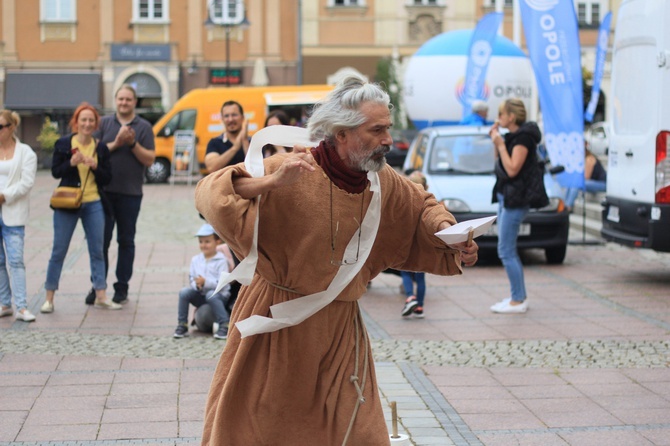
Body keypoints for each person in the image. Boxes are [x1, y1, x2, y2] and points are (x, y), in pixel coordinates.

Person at [194, 76, 479, 445]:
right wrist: (271, 182)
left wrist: (449, 233)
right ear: (341, 133)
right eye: (376, 130)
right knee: (265, 429)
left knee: (361, 432)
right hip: (277, 323)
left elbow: (420, 204)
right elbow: (211, 193)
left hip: (340, 330)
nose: (388, 140)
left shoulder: (380, 180)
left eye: (387, 129)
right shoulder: (294, 166)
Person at [42, 103, 121, 313]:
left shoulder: (100, 147)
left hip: (93, 202)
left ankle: (101, 295)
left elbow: (107, 178)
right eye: (83, 120)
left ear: (96, 124)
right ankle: (49, 297)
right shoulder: (63, 144)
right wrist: (71, 163)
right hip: (67, 202)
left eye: (91, 120)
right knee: (59, 250)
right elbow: (55, 172)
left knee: (97, 250)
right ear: (75, 123)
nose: (87, 124)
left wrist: (95, 166)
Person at [89, 84, 156, 305]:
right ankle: (98, 285)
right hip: (103, 193)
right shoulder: (103, 123)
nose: (124, 103)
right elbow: (94, 154)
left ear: (134, 102)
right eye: (121, 99)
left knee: (126, 241)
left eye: (128, 99)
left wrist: (133, 143)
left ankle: (122, 287)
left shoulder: (144, 127)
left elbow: (150, 160)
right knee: (101, 242)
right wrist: (117, 143)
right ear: (115, 100)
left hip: (131, 193)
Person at [489, 98, 547, 314]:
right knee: (506, 249)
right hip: (507, 197)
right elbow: (499, 165)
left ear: (511, 117)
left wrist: (501, 144)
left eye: (501, 114)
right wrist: (497, 143)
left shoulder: (523, 138)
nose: (498, 117)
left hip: (517, 200)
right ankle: (517, 296)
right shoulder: (512, 136)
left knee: (506, 250)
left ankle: (518, 299)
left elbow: (513, 169)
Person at [0, 110, 37, 322]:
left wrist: (4, 196)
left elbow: (27, 183)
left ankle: (22, 306)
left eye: (1, 126)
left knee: (15, 260)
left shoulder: (26, 152)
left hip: (13, 212)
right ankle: (5, 303)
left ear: (12, 127)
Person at [173, 224, 231, 340]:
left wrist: (205, 282)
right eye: (201, 242)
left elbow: (222, 283)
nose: (203, 245)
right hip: (202, 294)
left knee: (211, 294)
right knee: (184, 292)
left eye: (207, 241)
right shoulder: (195, 260)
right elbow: (192, 278)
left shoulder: (222, 260)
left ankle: (224, 324)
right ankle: (182, 324)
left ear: (217, 241)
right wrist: (198, 285)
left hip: (219, 296)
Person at [400, 171, 429, 319]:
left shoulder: (406, 201)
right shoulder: (429, 202)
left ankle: (410, 297)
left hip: (408, 244)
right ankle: (420, 306)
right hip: (423, 246)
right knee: (420, 277)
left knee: (405, 272)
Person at [204, 100, 249, 173]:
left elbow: (257, 168)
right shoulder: (214, 143)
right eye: (226, 116)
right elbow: (211, 168)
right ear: (222, 119)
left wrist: (244, 141)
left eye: (234, 115)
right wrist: (235, 148)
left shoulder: (253, 142)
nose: (230, 119)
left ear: (242, 117)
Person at [564, 145, 607, 211]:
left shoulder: (589, 159)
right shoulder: (584, 160)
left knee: (576, 183)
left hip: (602, 184)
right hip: (593, 182)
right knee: (571, 183)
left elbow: (586, 177)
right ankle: (565, 204)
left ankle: (568, 206)